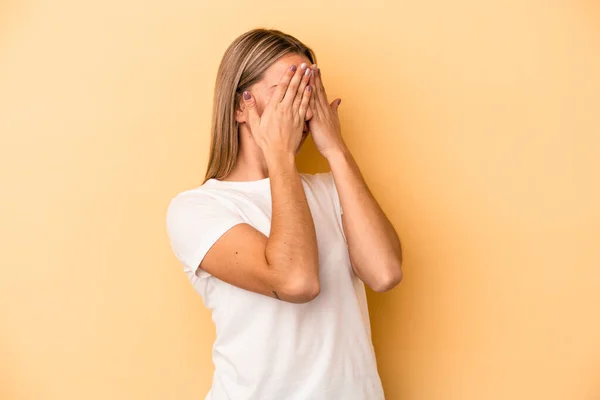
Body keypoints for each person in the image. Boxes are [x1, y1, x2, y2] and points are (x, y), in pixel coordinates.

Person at [166, 28, 403, 400]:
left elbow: (385, 273)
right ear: (240, 106)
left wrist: (336, 149)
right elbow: (296, 281)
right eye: (288, 90)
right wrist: (279, 153)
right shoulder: (197, 209)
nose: (302, 106)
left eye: (309, 90)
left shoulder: (330, 188)